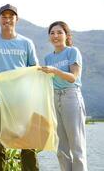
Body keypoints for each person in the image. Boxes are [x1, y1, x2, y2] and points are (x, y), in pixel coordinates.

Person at [0, 4, 39, 171]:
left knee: (28, 144)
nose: (7, 19)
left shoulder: (27, 43)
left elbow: (34, 68)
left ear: (17, 19)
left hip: (22, 101)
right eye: (4, 16)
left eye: (11, 16)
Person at [39, 21, 87, 171]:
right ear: (49, 37)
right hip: (54, 99)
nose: (56, 36)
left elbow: (73, 77)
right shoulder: (48, 58)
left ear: (66, 35)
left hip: (71, 97)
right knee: (61, 148)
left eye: (59, 32)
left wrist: (55, 71)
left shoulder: (73, 52)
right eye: (52, 33)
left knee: (77, 146)